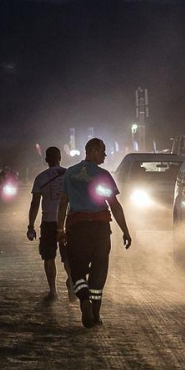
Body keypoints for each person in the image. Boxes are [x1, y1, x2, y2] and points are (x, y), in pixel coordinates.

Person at [57, 138, 132, 328]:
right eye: (102, 151)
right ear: (93, 150)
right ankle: (96, 314)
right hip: (99, 229)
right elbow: (114, 206)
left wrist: (60, 228)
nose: (105, 155)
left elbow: (63, 203)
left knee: (77, 270)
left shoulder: (70, 174)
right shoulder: (103, 175)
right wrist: (125, 231)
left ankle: (84, 301)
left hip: (77, 227)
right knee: (99, 269)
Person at [27, 146, 72, 303]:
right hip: (67, 222)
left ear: (46, 159)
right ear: (60, 158)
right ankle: (72, 282)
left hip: (48, 222)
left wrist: (31, 226)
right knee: (68, 256)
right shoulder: (69, 175)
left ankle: (53, 291)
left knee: (49, 257)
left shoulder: (40, 178)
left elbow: (35, 204)